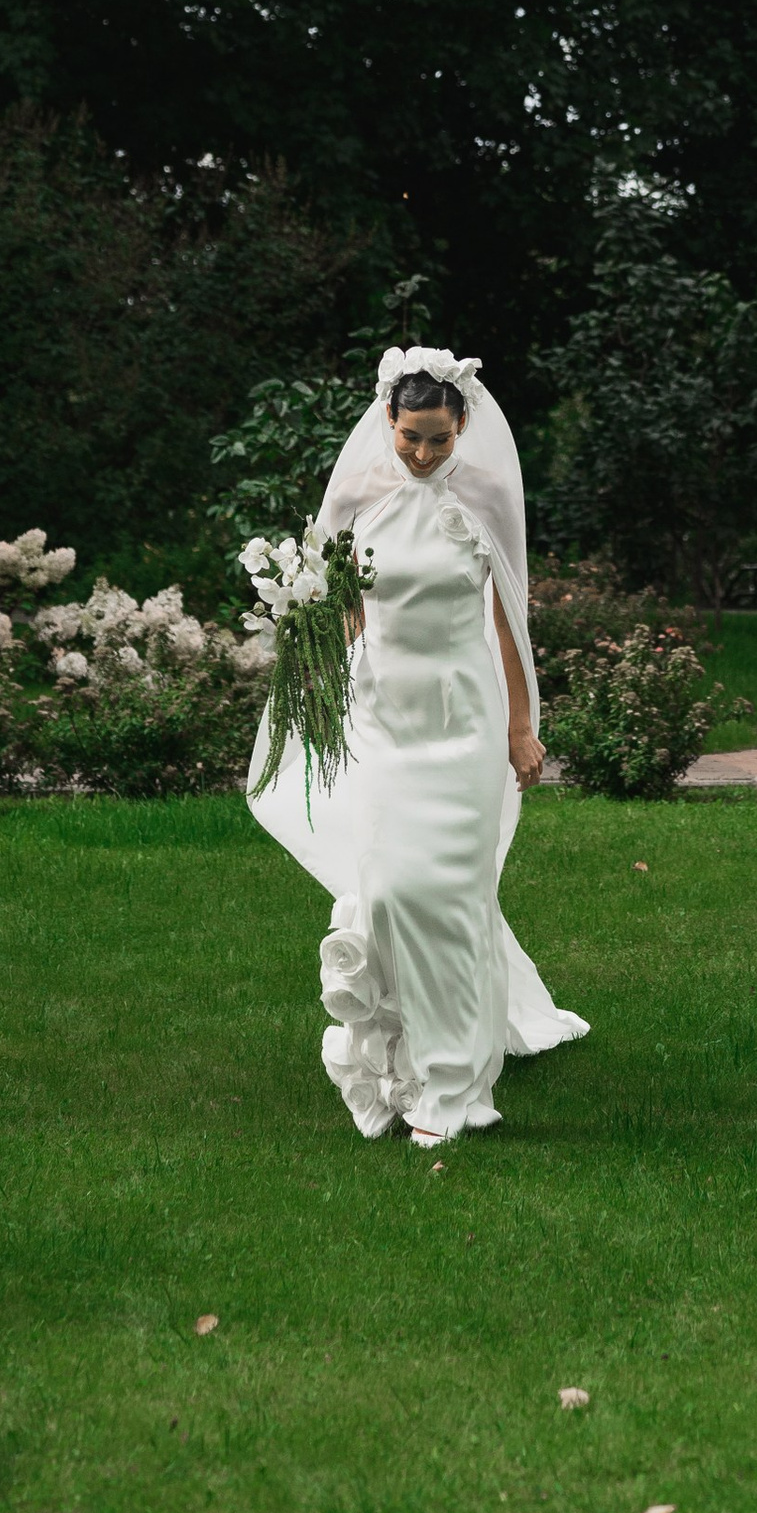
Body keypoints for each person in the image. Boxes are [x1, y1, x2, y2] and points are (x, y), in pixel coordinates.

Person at [249, 346, 587, 1143]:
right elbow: (340, 606)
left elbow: (509, 619)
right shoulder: (360, 495)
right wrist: (320, 671)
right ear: (388, 423)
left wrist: (519, 729)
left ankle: (453, 1089)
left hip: (465, 719)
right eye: (411, 437)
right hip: (381, 721)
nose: (425, 454)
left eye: (439, 438)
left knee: (456, 901)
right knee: (394, 894)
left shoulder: (488, 496)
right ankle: (407, 1054)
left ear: (462, 423)